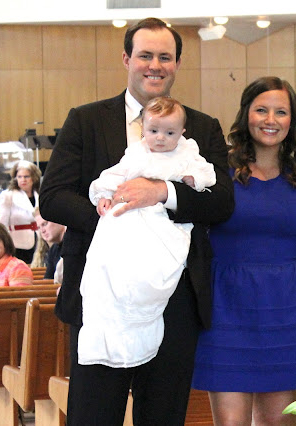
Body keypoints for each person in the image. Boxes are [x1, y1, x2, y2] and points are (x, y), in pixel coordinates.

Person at [39, 17, 233, 426]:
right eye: (145, 55)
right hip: (103, 291)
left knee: (163, 416)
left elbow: (221, 204)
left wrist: (162, 193)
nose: (155, 65)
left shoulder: (201, 127)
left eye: (165, 57)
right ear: (127, 59)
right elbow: (53, 197)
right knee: (93, 416)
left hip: (175, 295)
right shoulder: (86, 120)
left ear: (177, 64)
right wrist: (118, 221)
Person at [192, 76, 296, 425]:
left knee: (277, 423)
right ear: (246, 114)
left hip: (287, 309)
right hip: (225, 307)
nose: (270, 120)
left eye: (280, 112)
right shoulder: (217, 172)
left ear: (292, 120)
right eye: (261, 110)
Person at [80, 96, 216, 368]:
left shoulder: (187, 152)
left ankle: (143, 327)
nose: (161, 138)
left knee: (152, 274)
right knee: (105, 264)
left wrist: (193, 179)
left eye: (170, 133)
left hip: (164, 223)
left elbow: (208, 175)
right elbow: (113, 176)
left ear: (182, 132)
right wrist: (102, 195)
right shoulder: (136, 153)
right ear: (143, 128)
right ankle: (112, 336)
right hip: (130, 221)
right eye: (154, 131)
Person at [0, 160, 42, 264]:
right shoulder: (8, 195)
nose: (23, 180)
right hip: (17, 243)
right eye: (19, 177)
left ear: (34, 177)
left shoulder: (39, 194)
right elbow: (1, 224)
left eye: (26, 176)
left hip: (38, 240)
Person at [33, 207, 66, 279]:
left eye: (45, 224)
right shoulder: (53, 249)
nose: (42, 231)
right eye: (39, 227)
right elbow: (48, 279)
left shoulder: (74, 243)